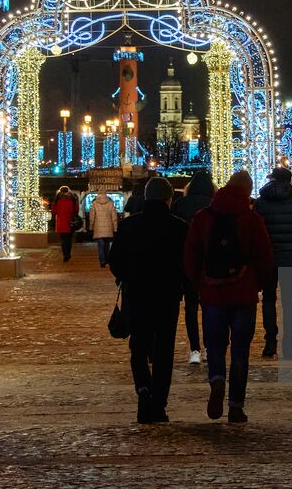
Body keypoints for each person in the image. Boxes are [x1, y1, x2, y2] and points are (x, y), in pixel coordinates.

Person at [184, 170, 273, 424]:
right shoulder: (252, 219)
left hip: (212, 292)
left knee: (214, 345)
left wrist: (199, 283)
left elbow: (191, 256)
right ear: (247, 191)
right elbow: (265, 256)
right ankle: (236, 406)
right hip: (243, 292)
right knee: (240, 352)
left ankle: (217, 380)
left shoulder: (203, 218)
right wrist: (259, 284)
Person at [109, 177, 189, 423]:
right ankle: (159, 403)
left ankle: (143, 390)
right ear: (169, 199)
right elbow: (186, 264)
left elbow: (115, 260)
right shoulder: (179, 227)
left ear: (145, 197)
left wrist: (125, 276)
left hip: (137, 294)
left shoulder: (129, 225)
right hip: (167, 296)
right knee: (164, 350)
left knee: (139, 346)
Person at [254, 167, 292, 359]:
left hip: (268, 259)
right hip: (290, 258)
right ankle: (289, 343)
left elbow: (256, 232)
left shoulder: (260, 203)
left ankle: (270, 341)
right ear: (289, 181)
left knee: (269, 300)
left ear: (272, 179)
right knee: (289, 301)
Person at [171, 173, 214, 365]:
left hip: (186, 262)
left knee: (190, 307)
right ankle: (209, 347)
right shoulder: (213, 205)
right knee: (210, 307)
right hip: (209, 263)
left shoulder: (180, 204)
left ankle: (195, 349)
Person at [88, 190, 120, 267]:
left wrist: (91, 226)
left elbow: (92, 217)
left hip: (98, 228)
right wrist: (115, 228)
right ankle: (107, 259)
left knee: (100, 245)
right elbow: (114, 217)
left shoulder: (94, 203)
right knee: (107, 245)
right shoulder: (111, 203)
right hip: (108, 227)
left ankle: (102, 261)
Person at [51, 185, 80, 262]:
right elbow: (76, 210)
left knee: (63, 240)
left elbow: (54, 211)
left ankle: (65, 255)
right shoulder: (73, 198)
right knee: (69, 239)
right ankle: (68, 254)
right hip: (70, 222)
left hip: (60, 222)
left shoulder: (57, 199)